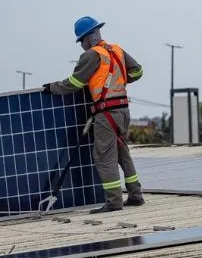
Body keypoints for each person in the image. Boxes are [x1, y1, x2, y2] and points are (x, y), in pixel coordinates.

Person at [42, 16, 145, 213]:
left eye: (81, 41)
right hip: (123, 110)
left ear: (88, 38)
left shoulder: (90, 55)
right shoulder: (117, 50)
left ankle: (114, 202)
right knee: (123, 153)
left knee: (103, 156)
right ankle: (136, 195)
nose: (81, 45)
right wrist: (119, 81)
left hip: (106, 113)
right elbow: (138, 72)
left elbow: (75, 82)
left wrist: (52, 88)